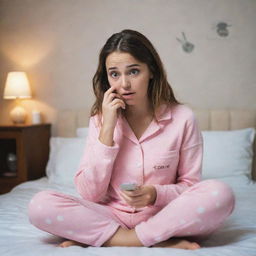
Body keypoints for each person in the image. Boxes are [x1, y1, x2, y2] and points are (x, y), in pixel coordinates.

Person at [28, 29, 235, 249]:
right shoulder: (100, 119)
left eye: (134, 71)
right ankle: (151, 240)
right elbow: (90, 194)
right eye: (114, 74)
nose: (124, 84)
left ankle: (109, 238)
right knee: (39, 205)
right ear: (107, 77)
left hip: (164, 215)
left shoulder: (183, 118)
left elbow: (190, 187)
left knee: (220, 194)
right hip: (110, 215)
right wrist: (107, 127)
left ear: (152, 71)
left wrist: (154, 194)